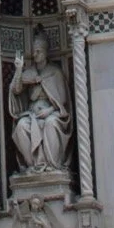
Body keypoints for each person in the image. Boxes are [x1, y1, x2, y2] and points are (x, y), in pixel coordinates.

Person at [8, 30, 72, 176]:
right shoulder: (29, 72)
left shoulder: (55, 72)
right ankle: (34, 166)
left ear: (45, 52)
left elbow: (62, 100)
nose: (35, 54)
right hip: (32, 114)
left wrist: (49, 111)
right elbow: (16, 90)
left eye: (38, 51)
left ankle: (53, 165)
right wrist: (18, 70)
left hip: (52, 112)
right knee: (21, 126)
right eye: (34, 51)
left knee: (50, 123)